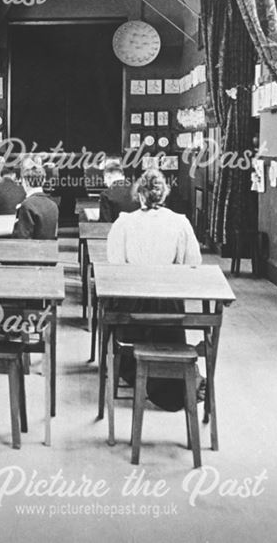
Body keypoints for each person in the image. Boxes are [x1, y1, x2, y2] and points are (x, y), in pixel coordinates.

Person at [106, 169, 202, 411]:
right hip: (168, 305)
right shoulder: (180, 222)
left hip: (133, 305)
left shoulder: (124, 222)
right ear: (163, 195)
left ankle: (133, 370)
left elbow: (115, 264)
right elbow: (194, 262)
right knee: (168, 332)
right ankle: (173, 378)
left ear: (139, 196)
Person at [12, 166, 59, 239]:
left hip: (31, 249)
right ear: (43, 182)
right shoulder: (53, 205)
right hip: (49, 249)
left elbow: (22, 236)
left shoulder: (27, 205)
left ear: (26, 182)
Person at [98, 158, 140, 222]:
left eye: (104, 179)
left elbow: (105, 223)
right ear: (122, 176)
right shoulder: (138, 190)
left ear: (108, 176)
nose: (104, 182)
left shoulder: (105, 195)